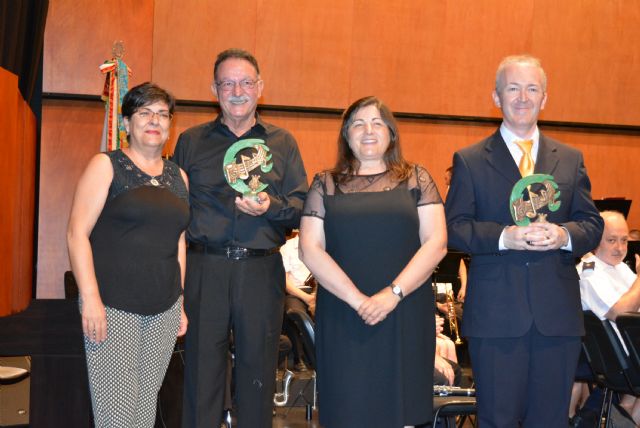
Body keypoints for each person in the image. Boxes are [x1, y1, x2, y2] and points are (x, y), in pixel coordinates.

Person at [445, 55, 604, 427]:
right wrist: (505, 237)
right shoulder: (470, 161)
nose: (522, 97)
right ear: (496, 97)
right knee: (497, 420)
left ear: (544, 98)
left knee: (550, 421)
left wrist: (564, 235)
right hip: (496, 318)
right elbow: (454, 226)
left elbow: (592, 224)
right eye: (513, 88)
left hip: (557, 318)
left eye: (532, 89)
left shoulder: (571, 159)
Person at [172, 48, 308, 428]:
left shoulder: (283, 143)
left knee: (257, 374)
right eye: (227, 83)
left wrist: (270, 206)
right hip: (204, 268)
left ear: (260, 88)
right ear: (214, 89)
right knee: (201, 375)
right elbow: (174, 211)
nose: (237, 91)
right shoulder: (190, 142)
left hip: (260, 271)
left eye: (245, 82)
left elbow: (302, 207)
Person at [299, 96, 447, 428]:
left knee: (402, 410)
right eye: (358, 124)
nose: (368, 130)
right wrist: (358, 300)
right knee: (347, 408)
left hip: (405, 309)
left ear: (391, 133)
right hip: (343, 313)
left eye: (377, 123)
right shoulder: (325, 184)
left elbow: (436, 243)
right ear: (346, 135)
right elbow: (309, 249)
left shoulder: (417, 178)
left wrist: (392, 295)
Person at [67, 82, 189, 427]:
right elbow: (77, 234)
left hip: (164, 308)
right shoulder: (106, 165)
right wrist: (91, 299)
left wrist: (179, 301)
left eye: (162, 114)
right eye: (144, 112)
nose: (154, 120)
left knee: (144, 410)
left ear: (170, 125)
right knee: (117, 414)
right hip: (113, 307)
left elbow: (178, 242)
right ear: (126, 123)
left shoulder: (179, 175)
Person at [578, 210, 640, 424]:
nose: (620, 248)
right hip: (618, 362)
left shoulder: (619, 267)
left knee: (631, 402)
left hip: (631, 354)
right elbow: (620, 313)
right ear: (594, 240)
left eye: (624, 240)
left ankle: (622, 419)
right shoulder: (590, 272)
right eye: (612, 240)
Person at [280, 230, 316, 371]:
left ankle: (322, 355)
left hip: (316, 291)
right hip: (296, 292)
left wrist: (316, 295)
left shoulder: (320, 245)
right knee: (295, 313)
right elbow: (286, 283)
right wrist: (307, 298)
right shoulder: (287, 247)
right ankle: (298, 357)